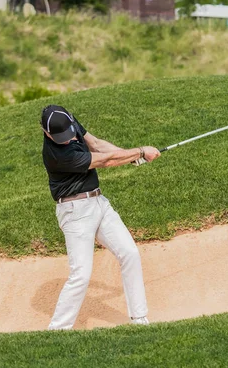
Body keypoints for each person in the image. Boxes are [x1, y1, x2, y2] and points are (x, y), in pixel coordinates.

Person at [40, 104, 160, 330]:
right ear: (46, 132)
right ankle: (57, 330)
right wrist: (140, 151)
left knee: (129, 253)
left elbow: (96, 144)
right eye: (59, 137)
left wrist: (131, 156)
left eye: (67, 134)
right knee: (81, 275)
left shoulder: (67, 120)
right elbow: (104, 161)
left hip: (98, 203)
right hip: (75, 212)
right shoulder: (57, 155)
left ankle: (140, 319)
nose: (66, 139)